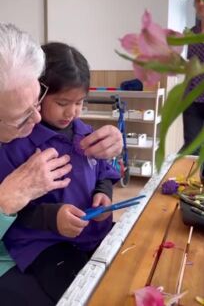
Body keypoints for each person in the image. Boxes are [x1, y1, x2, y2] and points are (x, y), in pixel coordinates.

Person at [0, 42, 121, 305]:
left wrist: (103, 193)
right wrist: (52, 217)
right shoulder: (16, 143)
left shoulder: (85, 134)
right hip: (43, 242)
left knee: (121, 270)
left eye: (80, 102)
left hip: (89, 232)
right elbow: (12, 208)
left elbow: (105, 172)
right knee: (78, 291)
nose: (73, 112)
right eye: (63, 102)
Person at [182, 0, 204, 155]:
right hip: (192, 100)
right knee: (192, 148)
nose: (201, 3)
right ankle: (190, 181)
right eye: (197, 0)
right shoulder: (191, 33)